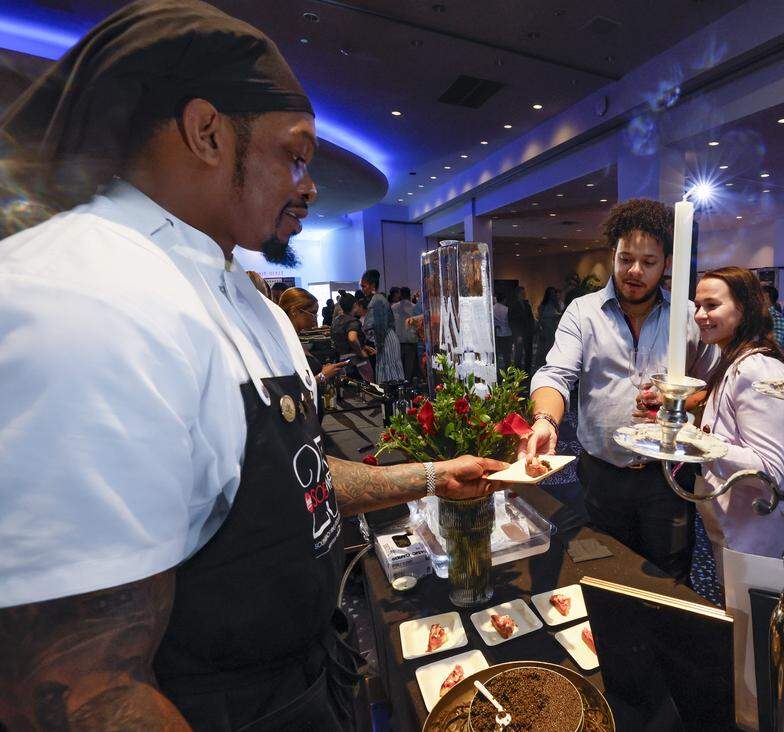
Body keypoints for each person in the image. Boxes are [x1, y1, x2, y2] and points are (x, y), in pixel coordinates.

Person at [0, 3, 508, 730]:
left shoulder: (245, 296)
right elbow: (81, 687)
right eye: (294, 155)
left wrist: (431, 475)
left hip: (307, 680)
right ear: (207, 133)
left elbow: (288, 479)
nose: (307, 185)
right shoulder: (82, 296)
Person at [523, 198, 708, 582]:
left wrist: (679, 404)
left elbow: (714, 387)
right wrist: (545, 422)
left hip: (669, 476)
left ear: (667, 264)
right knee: (607, 570)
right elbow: (555, 375)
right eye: (626, 258)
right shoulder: (583, 312)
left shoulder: (688, 316)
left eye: (649, 262)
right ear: (613, 254)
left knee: (670, 576)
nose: (634, 271)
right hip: (603, 474)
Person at [693, 267, 784, 576]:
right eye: (697, 305)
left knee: (754, 615)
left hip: (757, 528)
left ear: (744, 308)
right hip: (737, 517)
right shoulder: (734, 359)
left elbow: (768, 469)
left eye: (712, 305)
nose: (699, 314)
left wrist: (694, 441)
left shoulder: (757, 368)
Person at [279, 287, 349, 418]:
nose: (315, 318)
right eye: (312, 313)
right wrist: (322, 375)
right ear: (294, 311)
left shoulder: (292, 338)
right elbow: (291, 387)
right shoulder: (284, 342)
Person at [360, 269, 403, 382]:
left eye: (364, 286)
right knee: (393, 374)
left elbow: (378, 328)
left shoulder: (377, 300)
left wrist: (378, 346)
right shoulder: (380, 299)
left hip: (386, 340)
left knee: (389, 377)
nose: (362, 289)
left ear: (372, 285)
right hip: (389, 338)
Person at [392, 286, 420, 379]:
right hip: (411, 342)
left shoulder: (393, 307)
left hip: (397, 342)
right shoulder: (414, 307)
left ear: (400, 294)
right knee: (409, 368)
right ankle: (407, 385)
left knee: (399, 367)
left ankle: (400, 385)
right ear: (409, 294)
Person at [508, 285, 536, 372]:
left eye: (524, 293)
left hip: (528, 333)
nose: (524, 294)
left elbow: (531, 318)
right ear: (518, 294)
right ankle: (517, 372)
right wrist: (518, 335)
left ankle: (527, 371)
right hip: (519, 333)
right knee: (519, 354)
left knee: (528, 353)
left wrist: (532, 329)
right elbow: (512, 321)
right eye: (522, 293)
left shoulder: (526, 304)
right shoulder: (513, 305)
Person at [536, 286, 563, 367]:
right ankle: (545, 363)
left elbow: (558, 313)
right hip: (546, 327)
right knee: (545, 347)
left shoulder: (555, 303)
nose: (553, 295)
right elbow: (541, 316)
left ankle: (549, 363)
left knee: (550, 346)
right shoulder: (546, 304)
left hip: (552, 327)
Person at [764, 284, 784, 354]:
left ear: (766, 297)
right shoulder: (756, 315)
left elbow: (776, 344)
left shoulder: (776, 316)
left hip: (768, 358)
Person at [493, 291, 513, 368]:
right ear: (504, 299)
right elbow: (510, 321)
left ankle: (497, 370)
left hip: (497, 334)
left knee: (497, 354)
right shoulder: (506, 309)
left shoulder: (492, 308)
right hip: (506, 333)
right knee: (507, 355)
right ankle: (508, 371)